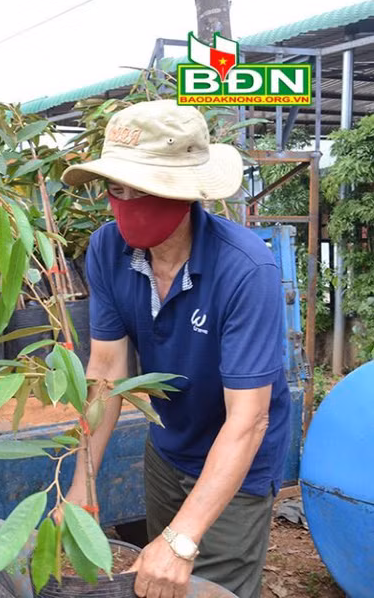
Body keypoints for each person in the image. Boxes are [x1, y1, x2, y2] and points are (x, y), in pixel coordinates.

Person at [57, 100, 289, 598]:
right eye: (115, 189)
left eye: (142, 190)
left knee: (207, 583)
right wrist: (83, 484)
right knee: (156, 579)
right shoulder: (107, 250)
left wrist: (182, 540)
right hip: (167, 448)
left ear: (186, 192)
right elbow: (106, 372)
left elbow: (249, 420)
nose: (125, 203)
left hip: (237, 460)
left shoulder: (245, 270)